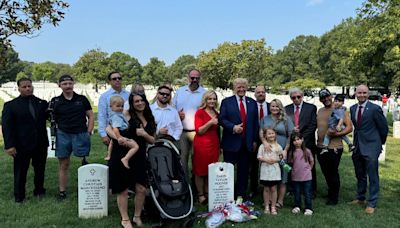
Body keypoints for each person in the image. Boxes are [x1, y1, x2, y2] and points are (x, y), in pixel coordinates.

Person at [108, 93, 156, 228]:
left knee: (141, 188)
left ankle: (137, 216)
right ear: (132, 103)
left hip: (139, 155)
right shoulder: (124, 114)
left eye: (142, 100)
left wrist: (145, 134)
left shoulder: (150, 118)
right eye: (136, 101)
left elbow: (153, 140)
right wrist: (119, 139)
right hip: (121, 153)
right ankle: (124, 219)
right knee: (122, 188)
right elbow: (108, 128)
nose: (140, 103)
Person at [1, 78, 49, 203]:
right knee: (20, 171)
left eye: (29, 86)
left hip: (40, 143)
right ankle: (19, 196)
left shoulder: (42, 103)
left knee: (40, 169)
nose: (28, 88)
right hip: (21, 145)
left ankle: (39, 191)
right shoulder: (11, 106)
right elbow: (7, 128)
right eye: (24, 87)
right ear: (19, 88)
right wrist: (9, 146)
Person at [49, 75, 94, 200]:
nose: (68, 86)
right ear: (60, 85)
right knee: (64, 164)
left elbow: (90, 115)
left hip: (80, 133)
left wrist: (89, 131)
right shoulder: (55, 101)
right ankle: (62, 191)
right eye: (65, 84)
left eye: (70, 83)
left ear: (73, 84)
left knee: (84, 162)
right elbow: (50, 118)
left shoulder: (82, 99)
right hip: (63, 134)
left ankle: (87, 188)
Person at [349, 85, 388, 214]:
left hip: (371, 146)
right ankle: (360, 197)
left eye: (364, 92)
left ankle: (372, 202)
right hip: (358, 146)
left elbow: (383, 128)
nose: (362, 95)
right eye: (359, 92)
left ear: (368, 93)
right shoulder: (353, 108)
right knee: (360, 174)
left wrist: (379, 144)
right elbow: (357, 128)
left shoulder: (374, 109)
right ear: (355, 93)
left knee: (373, 176)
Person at [219, 78, 258, 200]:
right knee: (229, 171)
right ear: (234, 88)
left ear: (246, 88)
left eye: (243, 87)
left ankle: (241, 194)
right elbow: (222, 119)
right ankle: (228, 194)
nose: (241, 89)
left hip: (246, 144)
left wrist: (255, 140)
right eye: (238, 87)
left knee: (244, 171)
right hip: (231, 142)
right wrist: (233, 127)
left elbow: (255, 123)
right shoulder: (226, 102)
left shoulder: (252, 102)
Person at [316, 88, 352, 206]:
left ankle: (334, 197)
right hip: (321, 146)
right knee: (326, 172)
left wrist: (336, 134)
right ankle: (331, 192)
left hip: (334, 147)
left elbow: (349, 128)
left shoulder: (339, 109)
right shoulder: (320, 111)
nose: (325, 99)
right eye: (323, 97)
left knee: (332, 172)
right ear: (320, 99)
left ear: (331, 96)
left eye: (327, 96)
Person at [260, 98, 294, 208]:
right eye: (272, 106)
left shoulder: (286, 119)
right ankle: (269, 200)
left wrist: (286, 149)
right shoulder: (265, 119)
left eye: (276, 106)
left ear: (280, 107)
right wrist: (264, 143)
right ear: (270, 107)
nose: (274, 108)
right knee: (270, 172)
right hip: (268, 150)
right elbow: (261, 132)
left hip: (282, 149)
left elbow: (291, 135)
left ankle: (280, 200)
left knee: (283, 173)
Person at [172, 69, 206, 176]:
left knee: (197, 160)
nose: (194, 80)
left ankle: (197, 188)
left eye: (197, 78)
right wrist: (177, 114)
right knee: (182, 160)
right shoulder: (180, 91)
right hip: (182, 131)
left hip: (198, 132)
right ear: (188, 78)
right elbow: (172, 109)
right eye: (192, 78)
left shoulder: (204, 93)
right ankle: (186, 188)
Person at [284, 87, 317, 194]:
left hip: (307, 142)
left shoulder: (311, 108)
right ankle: (293, 188)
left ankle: (310, 189)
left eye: (298, 97)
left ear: (302, 96)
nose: (296, 99)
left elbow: (313, 125)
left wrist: (300, 138)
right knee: (293, 164)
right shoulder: (286, 109)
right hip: (292, 143)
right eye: (293, 97)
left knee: (308, 165)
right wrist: (294, 139)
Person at [192, 90, 220, 204]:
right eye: (210, 99)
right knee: (200, 170)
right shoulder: (200, 112)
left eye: (214, 99)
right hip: (202, 144)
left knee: (211, 170)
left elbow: (218, 131)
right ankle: (200, 194)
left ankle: (208, 193)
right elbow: (199, 131)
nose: (212, 101)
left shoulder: (217, 113)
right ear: (205, 100)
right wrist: (210, 123)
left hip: (214, 144)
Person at [98, 72, 130, 148]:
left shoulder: (128, 95)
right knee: (115, 157)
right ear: (110, 82)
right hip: (113, 131)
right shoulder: (105, 96)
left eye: (119, 78)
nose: (117, 80)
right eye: (114, 79)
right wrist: (103, 135)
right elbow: (102, 116)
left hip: (127, 129)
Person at [249, 85, 270, 198]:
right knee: (254, 165)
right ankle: (253, 188)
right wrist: (252, 140)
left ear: (265, 93)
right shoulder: (251, 106)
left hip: (269, 139)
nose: (261, 94)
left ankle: (268, 187)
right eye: (258, 92)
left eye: (263, 92)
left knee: (269, 163)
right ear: (255, 94)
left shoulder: (270, 106)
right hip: (255, 139)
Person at [288, 131, 314, 216]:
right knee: (297, 192)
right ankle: (297, 206)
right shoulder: (292, 152)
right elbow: (290, 163)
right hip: (296, 176)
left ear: (302, 139)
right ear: (292, 142)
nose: (297, 141)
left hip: (306, 176)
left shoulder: (307, 151)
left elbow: (312, 161)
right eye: (294, 140)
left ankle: (308, 208)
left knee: (307, 193)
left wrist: (309, 168)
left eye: (298, 139)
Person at [109, 96, 139, 169]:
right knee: (135, 146)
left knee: (112, 142)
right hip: (122, 134)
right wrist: (119, 137)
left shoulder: (116, 114)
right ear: (111, 107)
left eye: (122, 106)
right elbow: (115, 129)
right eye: (118, 106)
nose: (120, 108)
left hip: (121, 133)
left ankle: (109, 155)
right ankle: (126, 158)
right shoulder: (116, 116)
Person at [257, 127, 282, 215]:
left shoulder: (278, 146)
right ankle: (267, 206)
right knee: (266, 189)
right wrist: (266, 160)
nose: (271, 135)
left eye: (272, 133)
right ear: (265, 136)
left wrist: (275, 160)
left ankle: (273, 207)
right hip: (265, 170)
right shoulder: (262, 146)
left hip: (275, 170)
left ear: (275, 135)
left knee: (273, 188)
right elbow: (259, 156)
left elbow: (281, 158)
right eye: (269, 134)